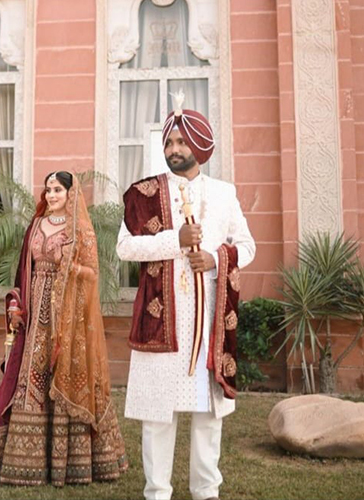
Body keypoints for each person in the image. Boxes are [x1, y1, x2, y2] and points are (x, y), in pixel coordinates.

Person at [117, 97, 256, 500]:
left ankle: (206, 492)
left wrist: (214, 258)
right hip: (161, 319)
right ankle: (157, 492)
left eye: (182, 141)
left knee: (207, 413)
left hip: (208, 317)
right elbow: (124, 248)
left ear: (200, 145)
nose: (174, 149)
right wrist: (173, 241)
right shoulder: (144, 194)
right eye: (169, 142)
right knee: (158, 416)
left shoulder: (224, 194)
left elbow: (247, 247)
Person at [0, 171, 128, 486]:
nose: (51, 195)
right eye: (47, 189)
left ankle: (70, 462)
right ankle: (25, 458)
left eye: (57, 189)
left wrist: (70, 265)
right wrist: (16, 306)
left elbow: (92, 274)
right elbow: (24, 270)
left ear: (70, 193)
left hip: (68, 320)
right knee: (31, 379)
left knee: (62, 374)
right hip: (36, 317)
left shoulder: (80, 231)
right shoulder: (35, 226)